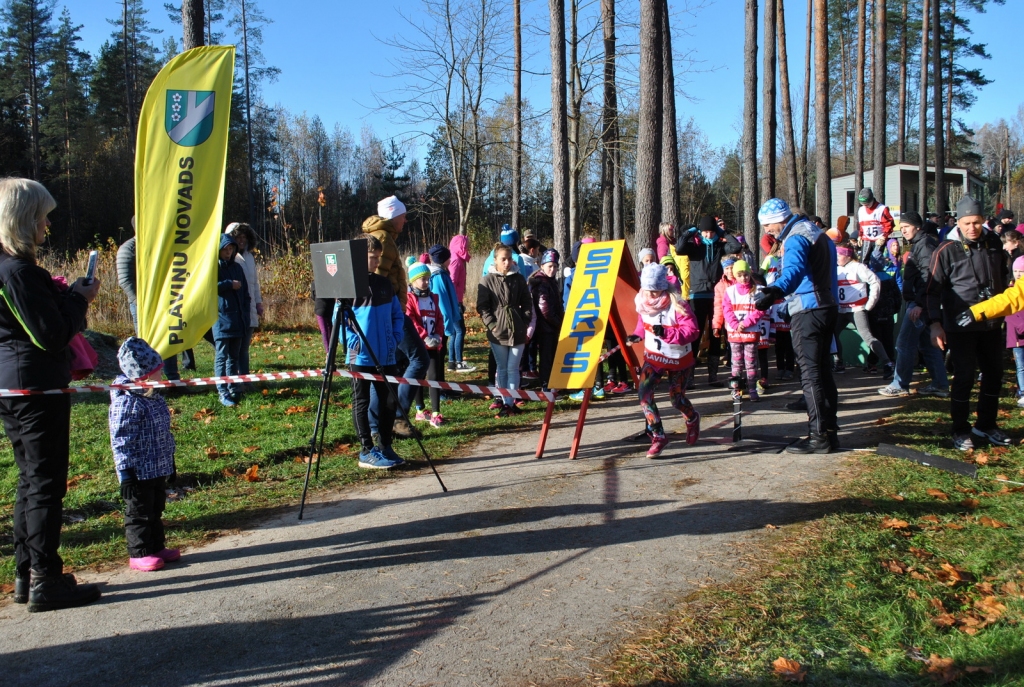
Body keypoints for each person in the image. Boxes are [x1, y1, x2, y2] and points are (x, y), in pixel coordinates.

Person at [0, 178, 101, 611]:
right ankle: (45, 577)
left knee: (30, 481)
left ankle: (26, 574)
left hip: (14, 384)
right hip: (36, 385)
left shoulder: (8, 268)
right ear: (24, 219)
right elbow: (52, 336)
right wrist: (78, 301)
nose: (47, 225)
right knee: (44, 484)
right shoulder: (20, 271)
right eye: (42, 216)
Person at [754, 199, 840, 453]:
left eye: (768, 225)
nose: (767, 230)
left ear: (780, 219)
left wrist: (775, 291)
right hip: (828, 307)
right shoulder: (816, 232)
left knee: (811, 375)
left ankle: (818, 436)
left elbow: (793, 270)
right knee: (823, 372)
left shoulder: (795, 237)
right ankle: (830, 431)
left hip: (809, 309)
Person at [928, 195, 1011, 451]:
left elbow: (1006, 275)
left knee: (995, 375)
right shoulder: (946, 250)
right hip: (960, 324)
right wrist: (935, 324)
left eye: (976, 222)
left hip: (991, 324)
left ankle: (986, 424)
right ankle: (960, 429)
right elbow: (931, 291)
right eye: (967, 223)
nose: (972, 228)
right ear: (959, 223)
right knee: (964, 376)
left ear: (983, 221)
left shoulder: (994, 243)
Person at [109, 337, 180, 572]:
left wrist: (170, 461)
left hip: (158, 466)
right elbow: (121, 441)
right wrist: (125, 472)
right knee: (139, 512)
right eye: (158, 371)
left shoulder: (154, 398)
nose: (162, 376)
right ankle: (139, 552)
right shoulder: (127, 403)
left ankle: (157, 546)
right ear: (143, 375)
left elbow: (164, 434)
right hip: (138, 471)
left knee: (156, 509)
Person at [363, 196, 427, 437]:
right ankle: (395, 418)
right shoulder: (383, 239)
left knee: (387, 367)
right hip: (389, 314)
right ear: (393, 216)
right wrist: (390, 312)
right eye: (403, 215)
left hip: (390, 312)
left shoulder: (384, 237)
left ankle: (378, 424)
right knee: (419, 359)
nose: (405, 220)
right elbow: (375, 280)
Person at [625, 263, 701, 457]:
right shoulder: (642, 301)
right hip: (654, 357)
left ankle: (692, 419)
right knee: (644, 395)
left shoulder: (677, 304)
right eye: (648, 290)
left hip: (678, 357)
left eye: (655, 291)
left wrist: (667, 332)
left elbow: (692, 331)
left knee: (676, 399)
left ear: (663, 288)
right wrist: (637, 335)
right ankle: (658, 436)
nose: (650, 295)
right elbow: (643, 322)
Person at [345, 233, 406, 468]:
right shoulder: (349, 285)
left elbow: (396, 314)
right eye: (372, 257)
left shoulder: (384, 284)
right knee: (360, 400)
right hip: (358, 354)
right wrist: (351, 338)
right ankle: (366, 450)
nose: (377, 262)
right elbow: (338, 318)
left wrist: (396, 335)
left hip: (386, 353)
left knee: (389, 400)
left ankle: (385, 445)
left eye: (379, 257)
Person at [877, 211, 949, 398]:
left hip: (919, 304)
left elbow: (929, 277)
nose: (904, 231)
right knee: (927, 345)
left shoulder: (924, 245)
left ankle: (899, 383)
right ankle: (940, 384)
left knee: (904, 343)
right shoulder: (921, 244)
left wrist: (918, 303)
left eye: (907, 227)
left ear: (917, 227)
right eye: (902, 228)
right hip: (922, 302)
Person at [116, 225, 193, 378]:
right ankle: (149, 382)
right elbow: (125, 280)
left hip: (164, 303)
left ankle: (172, 379)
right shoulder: (128, 248)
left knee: (168, 339)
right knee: (146, 344)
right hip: (141, 307)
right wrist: (141, 304)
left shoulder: (159, 247)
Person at [675, 215, 742, 386]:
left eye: (711, 232)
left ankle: (713, 376)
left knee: (715, 335)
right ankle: (689, 377)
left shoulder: (720, 246)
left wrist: (722, 232)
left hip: (717, 296)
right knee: (695, 335)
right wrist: (691, 232)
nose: (708, 235)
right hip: (697, 295)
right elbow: (679, 248)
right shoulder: (695, 247)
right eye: (705, 232)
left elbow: (736, 246)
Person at [477, 243, 533, 417]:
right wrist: (492, 325)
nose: (507, 262)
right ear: (496, 260)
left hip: (517, 329)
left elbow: (527, 302)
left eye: (509, 259)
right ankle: (504, 402)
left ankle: (511, 402)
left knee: (513, 368)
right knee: (502, 368)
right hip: (498, 331)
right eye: (503, 259)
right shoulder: (487, 280)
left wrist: (524, 322)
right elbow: (483, 307)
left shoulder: (518, 278)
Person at [833, 243, 892, 376]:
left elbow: (875, 281)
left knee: (867, 337)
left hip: (857, 309)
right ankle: (839, 362)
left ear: (848, 256)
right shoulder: (837, 269)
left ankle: (888, 363)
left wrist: (870, 303)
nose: (837, 258)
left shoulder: (858, 267)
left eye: (840, 255)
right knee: (832, 334)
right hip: (842, 310)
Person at [722, 260, 766, 401]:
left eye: (746, 274)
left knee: (751, 362)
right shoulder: (730, 291)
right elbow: (726, 310)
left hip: (751, 332)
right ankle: (737, 389)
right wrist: (735, 324)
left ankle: (752, 388)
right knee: (736, 362)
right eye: (740, 275)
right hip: (735, 333)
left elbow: (760, 310)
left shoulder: (758, 290)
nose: (743, 278)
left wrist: (746, 323)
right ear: (735, 276)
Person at [407, 261, 445, 427]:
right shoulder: (410, 299)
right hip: (419, 345)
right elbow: (411, 320)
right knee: (419, 377)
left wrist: (438, 334)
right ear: (413, 281)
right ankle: (420, 410)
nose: (426, 282)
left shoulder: (433, 298)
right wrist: (423, 336)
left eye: (428, 279)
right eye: (422, 279)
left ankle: (436, 412)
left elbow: (439, 318)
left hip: (434, 344)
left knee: (434, 377)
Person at [214, 233, 250, 406]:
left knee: (234, 357)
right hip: (221, 319)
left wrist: (246, 314)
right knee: (221, 356)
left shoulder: (238, 267)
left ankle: (233, 387)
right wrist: (228, 284)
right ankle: (222, 391)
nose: (228, 252)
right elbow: (208, 288)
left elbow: (245, 294)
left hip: (239, 320)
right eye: (225, 249)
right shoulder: (212, 268)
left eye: (231, 249)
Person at [427, 244, 474, 374]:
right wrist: (447, 328)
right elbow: (441, 303)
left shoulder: (443, 273)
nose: (451, 259)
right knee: (438, 358)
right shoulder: (438, 276)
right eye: (449, 257)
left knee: (441, 357)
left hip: (444, 323)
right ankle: (440, 391)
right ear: (443, 259)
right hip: (441, 325)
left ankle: (443, 388)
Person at [225, 222, 263, 376]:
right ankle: (234, 379)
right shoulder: (229, 258)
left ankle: (245, 379)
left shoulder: (249, 257)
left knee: (245, 347)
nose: (241, 240)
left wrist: (258, 303)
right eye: (238, 237)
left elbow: (254, 283)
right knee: (234, 348)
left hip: (250, 306)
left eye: (244, 237)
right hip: (234, 308)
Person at [529, 249, 564, 392]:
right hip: (545, 327)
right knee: (546, 357)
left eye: (555, 266)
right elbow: (545, 310)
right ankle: (546, 385)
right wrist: (559, 323)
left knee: (549, 356)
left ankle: (551, 383)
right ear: (542, 265)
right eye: (550, 266)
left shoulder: (550, 281)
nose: (553, 269)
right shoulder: (542, 282)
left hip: (549, 326)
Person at [856, 188, 894, 264]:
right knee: (863, 261)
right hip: (866, 239)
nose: (865, 206)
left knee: (876, 259)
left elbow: (889, 224)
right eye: (863, 204)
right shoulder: (861, 210)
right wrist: (860, 235)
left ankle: (877, 274)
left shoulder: (882, 209)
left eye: (867, 203)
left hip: (878, 239)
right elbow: (861, 225)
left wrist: (884, 236)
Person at [656, 221, 690, 298]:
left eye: (672, 229)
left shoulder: (672, 241)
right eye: (670, 229)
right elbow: (664, 259)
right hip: (670, 272)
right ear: (664, 230)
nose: (672, 231)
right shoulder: (663, 242)